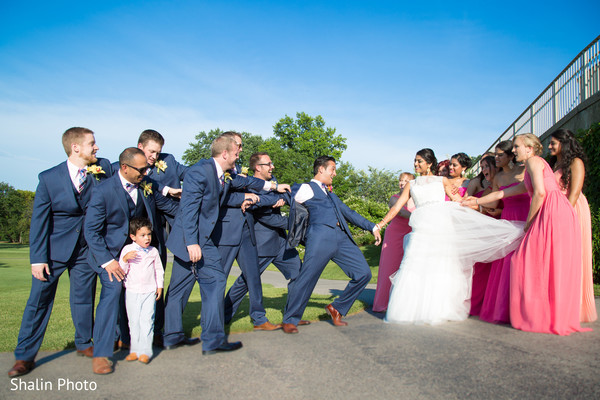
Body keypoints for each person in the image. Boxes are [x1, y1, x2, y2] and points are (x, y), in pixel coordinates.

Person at [164, 135, 290, 354]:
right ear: (225, 154)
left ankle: (213, 340)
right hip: (189, 240)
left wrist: (272, 187)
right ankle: (171, 336)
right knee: (178, 289)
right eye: (236, 152)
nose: (239, 154)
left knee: (216, 280)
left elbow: (247, 182)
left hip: (205, 240)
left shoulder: (226, 174)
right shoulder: (199, 172)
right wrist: (191, 243)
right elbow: (188, 209)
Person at [8, 127, 113, 378]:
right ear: (76, 147)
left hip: (85, 251)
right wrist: (37, 259)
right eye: (92, 144)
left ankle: (84, 343)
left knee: (83, 299)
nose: (96, 148)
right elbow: (39, 222)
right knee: (39, 302)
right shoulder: (48, 178)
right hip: (52, 253)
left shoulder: (102, 171)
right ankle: (24, 356)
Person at [378, 148, 524, 325]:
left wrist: (480, 207)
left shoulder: (443, 181)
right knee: (413, 267)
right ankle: (409, 310)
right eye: (415, 161)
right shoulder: (412, 184)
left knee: (440, 268)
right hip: (421, 230)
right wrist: (379, 225)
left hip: (440, 229)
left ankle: (438, 309)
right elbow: (395, 208)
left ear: (429, 163)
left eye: (419, 161)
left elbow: (459, 201)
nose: (416, 164)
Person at [463, 134, 591, 335]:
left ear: (529, 148)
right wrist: (476, 201)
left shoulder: (533, 161)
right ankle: (543, 315)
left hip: (553, 211)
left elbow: (540, 193)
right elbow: (507, 192)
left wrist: (529, 224)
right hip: (553, 210)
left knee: (522, 260)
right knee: (543, 263)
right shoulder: (535, 164)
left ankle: (538, 316)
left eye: (517, 147)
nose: (514, 151)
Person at [84, 147, 179, 374]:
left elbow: (168, 207)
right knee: (112, 292)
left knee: (138, 298)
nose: (147, 172)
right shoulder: (103, 191)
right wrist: (109, 261)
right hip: (109, 256)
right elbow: (91, 231)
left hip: (140, 257)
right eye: (142, 169)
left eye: (147, 168)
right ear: (124, 168)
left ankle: (129, 340)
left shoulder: (145, 186)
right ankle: (102, 354)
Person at [281, 156, 382, 334]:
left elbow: (350, 213)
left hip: (342, 239)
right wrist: (274, 198)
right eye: (332, 169)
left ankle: (337, 308)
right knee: (307, 278)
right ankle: (290, 319)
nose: (334, 173)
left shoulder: (331, 194)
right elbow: (287, 196)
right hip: (320, 237)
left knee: (363, 274)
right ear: (321, 169)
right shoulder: (306, 188)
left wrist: (372, 227)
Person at [224, 152, 304, 327]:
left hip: (281, 243)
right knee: (246, 282)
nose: (272, 167)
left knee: (299, 273)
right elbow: (266, 217)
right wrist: (293, 223)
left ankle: (292, 315)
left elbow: (287, 195)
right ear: (258, 167)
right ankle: (223, 314)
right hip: (262, 244)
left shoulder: (273, 183)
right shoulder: (249, 188)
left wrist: (278, 198)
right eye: (269, 164)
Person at [216, 133, 282, 331]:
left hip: (246, 230)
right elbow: (219, 198)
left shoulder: (240, 172)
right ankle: (217, 320)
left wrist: (255, 197)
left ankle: (259, 319)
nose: (241, 149)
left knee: (253, 277)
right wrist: (243, 198)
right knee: (219, 279)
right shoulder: (219, 170)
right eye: (238, 145)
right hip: (226, 232)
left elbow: (258, 194)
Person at [549, 129, 597, 322]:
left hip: (572, 210)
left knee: (573, 256)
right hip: (557, 211)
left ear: (564, 143)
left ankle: (576, 307)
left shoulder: (576, 162)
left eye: (553, 143)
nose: (549, 146)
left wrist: (564, 215)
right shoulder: (554, 164)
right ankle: (560, 303)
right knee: (559, 258)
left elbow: (575, 192)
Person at [478, 141, 528, 324]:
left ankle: (525, 308)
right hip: (507, 219)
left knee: (523, 262)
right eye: (496, 155)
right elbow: (492, 202)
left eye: (500, 155)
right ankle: (506, 309)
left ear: (510, 156)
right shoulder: (498, 178)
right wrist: (467, 201)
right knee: (506, 262)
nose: (496, 158)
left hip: (526, 216)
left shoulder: (524, 170)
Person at [119, 217, 164, 364]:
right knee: (134, 322)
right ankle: (135, 350)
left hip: (149, 292)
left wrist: (159, 286)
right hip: (132, 292)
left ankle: (145, 351)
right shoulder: (127, 250)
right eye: (143, 235)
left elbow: (159, 269)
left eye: (149, 234)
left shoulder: (153, 251)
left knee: (147, 321)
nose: (147, 238)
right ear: (133, 237)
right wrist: (125, 260)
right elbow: (122, 271)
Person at [372, 172, 415, 313]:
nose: (402, 183)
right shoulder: (394, 198)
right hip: (394, 237)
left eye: (406, 181)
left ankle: (403, 304)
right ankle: (382, 304)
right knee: (389, 268)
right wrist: (421, 216)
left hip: (412, 235)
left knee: (408, 270)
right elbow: (401, 212)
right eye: (401, 180)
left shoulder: (417, 200)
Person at [465, 155, 499, 316]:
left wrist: (485, 209)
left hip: (499, 227)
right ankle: (475, 304)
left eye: (487, 166)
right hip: (482, 228)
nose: (484, 170)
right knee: (479, 267)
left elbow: (494, 207)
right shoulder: (482, 186)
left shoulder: (499, 184)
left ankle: (490, 304)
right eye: (482, 167)